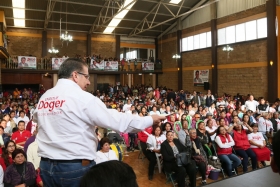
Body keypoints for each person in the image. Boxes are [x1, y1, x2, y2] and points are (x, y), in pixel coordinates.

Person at [33, 58, 165, 186]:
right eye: (86, 76)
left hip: (46, 166)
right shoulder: (82, 97)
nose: (89, 82)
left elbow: (37, 119)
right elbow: (116, 120)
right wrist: (149, 119)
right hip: (74, 167)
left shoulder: (45, 97)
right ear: (75, 75)